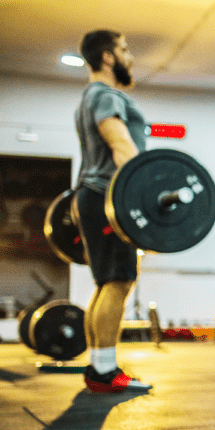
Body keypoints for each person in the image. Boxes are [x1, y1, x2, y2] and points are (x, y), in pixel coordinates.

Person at [72, 30, 152, 393]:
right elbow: (120, 143)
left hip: (92, 197)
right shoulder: (105, 95)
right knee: (119, 282)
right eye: (124, 49)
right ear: (107, 57)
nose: (129, 56)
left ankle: (98, 366)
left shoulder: (89, 97)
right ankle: (105, 373)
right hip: (108, 198)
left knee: (107, 283)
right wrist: (138, 195)